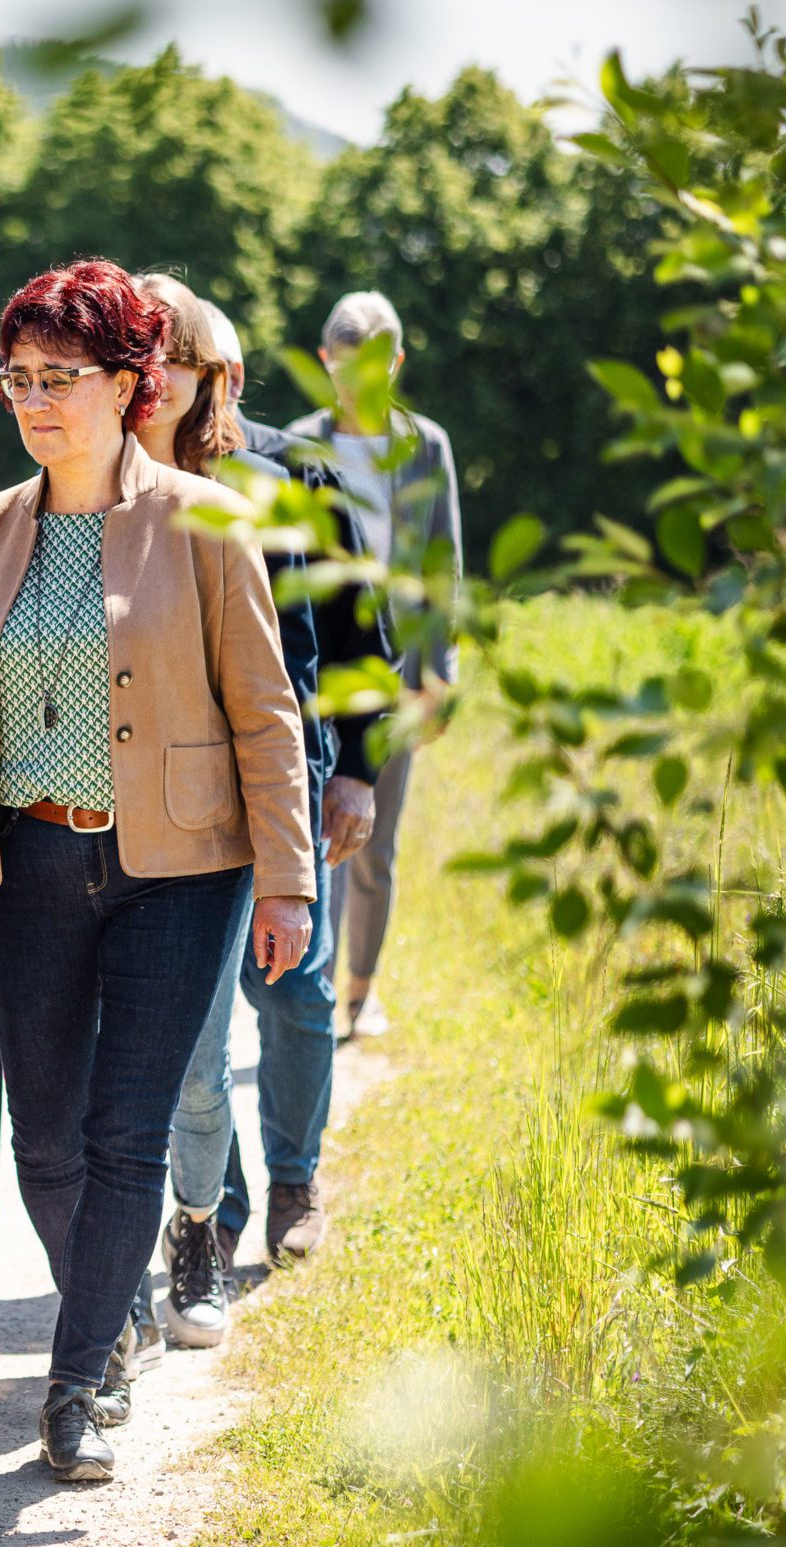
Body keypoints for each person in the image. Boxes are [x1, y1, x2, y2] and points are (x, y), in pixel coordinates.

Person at [0, 259, 313, 1481]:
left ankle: (75, 1385)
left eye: (58, 378)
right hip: (25, 857)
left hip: (180, 871)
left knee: (126, 1134)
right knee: (43, 1140)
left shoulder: (204, 521)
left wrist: (286, 880)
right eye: (16, 379)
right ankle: (112, 1312)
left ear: (130, 384)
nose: (33, 399)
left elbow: (266, 715)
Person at [135, 280, 392, 1344]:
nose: (155, 387)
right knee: (196, 1022)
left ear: (217, 375)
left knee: (291, 989)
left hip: (293, 763)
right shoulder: (109, 481)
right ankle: (218, 1206)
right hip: (175, 783)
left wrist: (358, 771)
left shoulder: (295, 477)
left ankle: (294, 1183)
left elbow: (360, 637)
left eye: (175, 367)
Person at [282, 290, 462, 1046]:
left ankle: (361, 990)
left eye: (377, 367)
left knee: (376, 844)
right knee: (314, 830)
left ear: (397, 362)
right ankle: (311, 985)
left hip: (395, 674)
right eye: (347, 366)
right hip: (317, 670)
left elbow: (441, 564)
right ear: (327, 362)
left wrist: (440, 674)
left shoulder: (425, 446)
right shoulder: (295, 445)